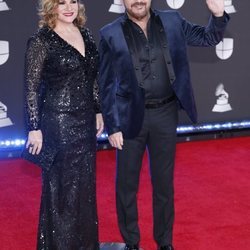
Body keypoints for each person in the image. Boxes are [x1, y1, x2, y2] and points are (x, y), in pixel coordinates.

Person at [98, 0, 229, 249]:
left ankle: (165, 243)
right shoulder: (109, 34)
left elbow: (208, 38)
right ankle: (132, 243)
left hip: (165, 115)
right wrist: (113, 126)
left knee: (164, 186)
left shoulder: (173, 21)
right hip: (128, 120)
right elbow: (105, 85)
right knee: (126, 187)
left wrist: (218, 15)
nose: (138, 1)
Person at [23, 0, 103, 249]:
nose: (69, 7)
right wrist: (34, 128)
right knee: (61, 192)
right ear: (51, 7)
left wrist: (98, 110)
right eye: (61, 2)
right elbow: (31, 87)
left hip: (86, 123)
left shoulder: (86, 34)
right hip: (58, 124)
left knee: (85, 190)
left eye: (74, 1)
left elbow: (92, 78)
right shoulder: (41, 40)